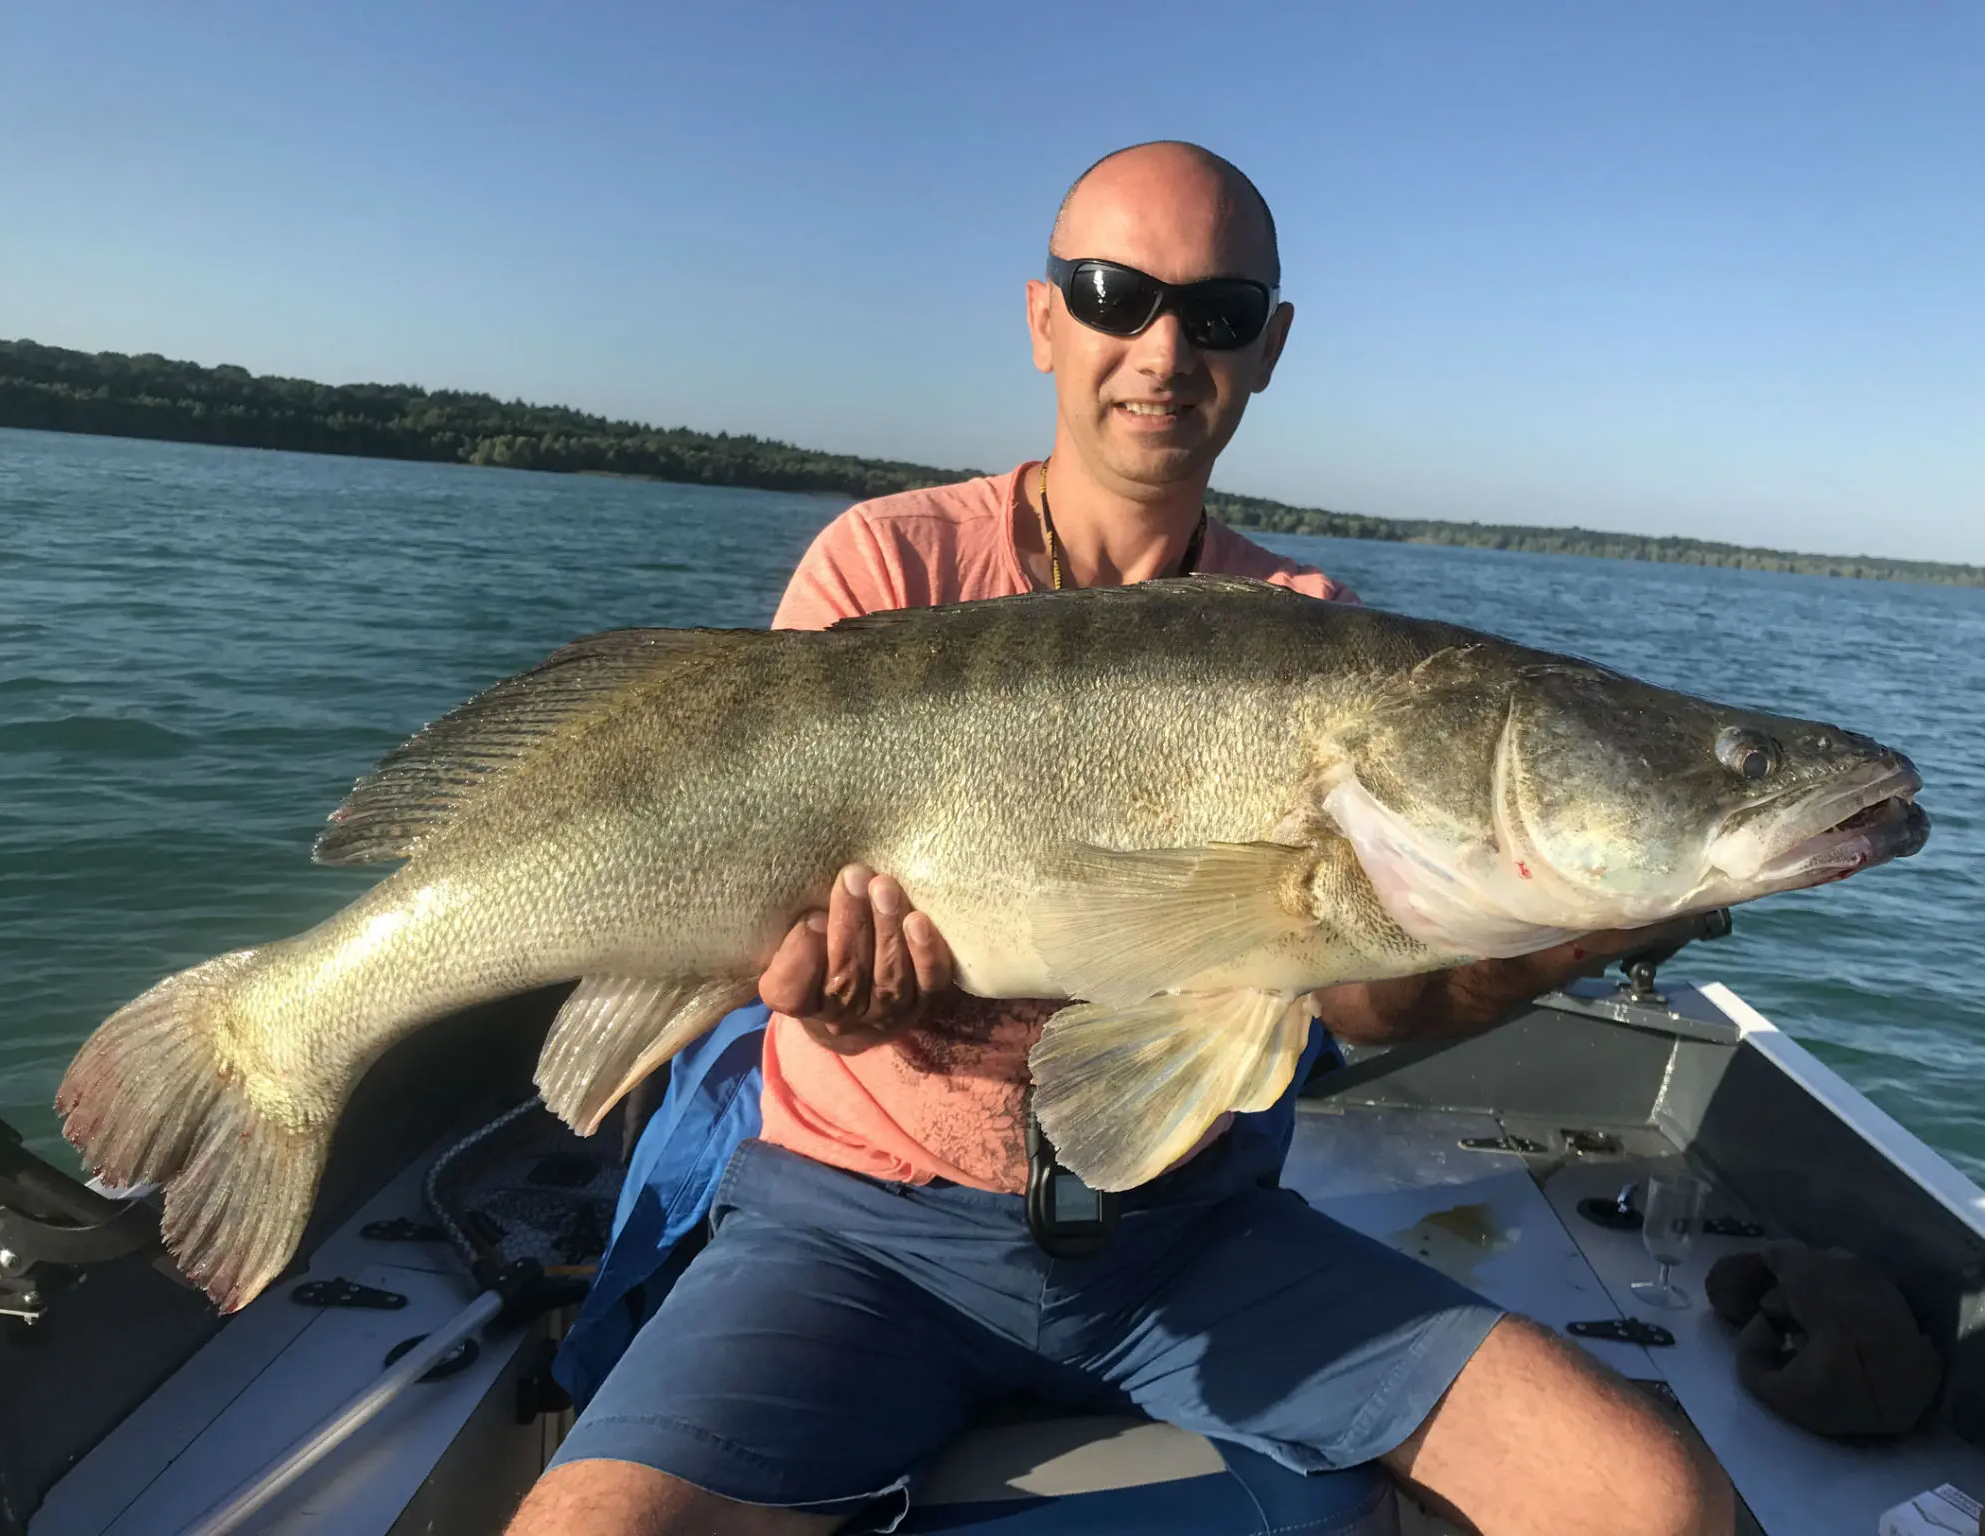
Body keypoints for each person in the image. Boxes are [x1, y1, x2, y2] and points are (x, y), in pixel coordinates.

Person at [509, 141, 1735, 1536]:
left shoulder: (1323, 630)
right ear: (1045, 320)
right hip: (859, 1232)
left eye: (1215, 314)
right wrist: (827, 999)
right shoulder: (883, 569)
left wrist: (1578, 927)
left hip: (1193, 1240)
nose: (1162, 348)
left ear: (1268, 348)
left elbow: (1364, 1004)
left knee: (1649, 1501)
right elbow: (783, 935)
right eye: (1113, 294)